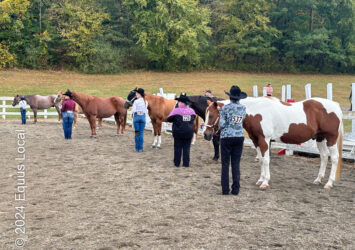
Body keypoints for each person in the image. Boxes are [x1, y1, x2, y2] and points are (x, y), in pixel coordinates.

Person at [219, 85, 247, 195]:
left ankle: (225, 189)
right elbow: (242, 120)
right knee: (236, 164)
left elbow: (221, 124)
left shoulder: (225, 108)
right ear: (239, 98)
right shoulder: (243, 108)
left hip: (226, 137)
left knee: (225, 164)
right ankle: (236, 189)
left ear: (230, 97)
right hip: (239, 136)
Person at [167, 93, 196, 167]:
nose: (178, 103)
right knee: (187, 148)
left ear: (181, 102)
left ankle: (177, 163)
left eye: (179, 102)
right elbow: (193, 118)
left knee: (177, 147)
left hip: (178, 132)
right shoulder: (192, 111)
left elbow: (169, 119)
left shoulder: (176, 111)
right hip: (189, 132)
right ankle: (186, 163)